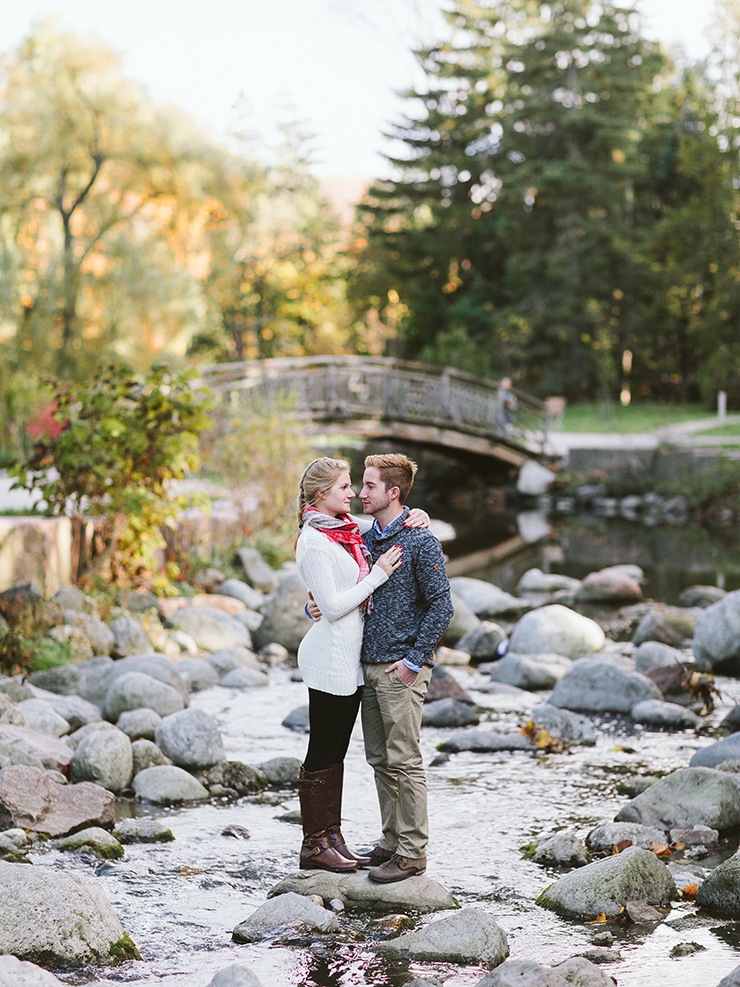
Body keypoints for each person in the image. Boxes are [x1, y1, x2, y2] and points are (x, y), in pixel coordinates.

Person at [294, 457, 427, 874]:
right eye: (344, 487)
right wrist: (378, 576)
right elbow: (332, 606)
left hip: (348, 660)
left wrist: (419, 514)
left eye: (357, 486)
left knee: (336, 753)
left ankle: (332, 837)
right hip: (328, 659)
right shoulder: (314, 539)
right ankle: (315, 844)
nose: (352, 493)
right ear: (321, 494)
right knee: (322, 751)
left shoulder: (346, 533)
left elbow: (392, 521)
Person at [357, 453, 454, 883]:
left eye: (370, 486)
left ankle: (413, 853)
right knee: (379, 758)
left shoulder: (420, 540)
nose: (361, 493)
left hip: (401, 667)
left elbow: (442, 605)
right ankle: (392, 841)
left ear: (392, 493)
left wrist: (414, 660)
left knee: (405, 759)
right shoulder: (364, 538)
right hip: (368, 666)